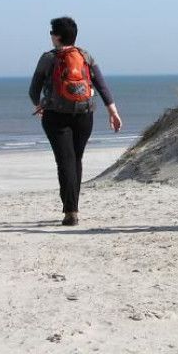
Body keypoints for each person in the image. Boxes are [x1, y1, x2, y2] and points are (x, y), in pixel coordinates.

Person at [29, 17, 122, 226]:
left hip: (55, 116)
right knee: (76, 159)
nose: (51, 36)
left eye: (52, 32)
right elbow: (101, 85)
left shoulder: (48, 58)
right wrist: (113, 111)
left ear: (57, 36)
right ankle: (73, 208)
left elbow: (33, 90)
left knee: (65, 161)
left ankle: (70, 211)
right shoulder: (85, 55)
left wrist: (38, 106)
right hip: (84, 115)